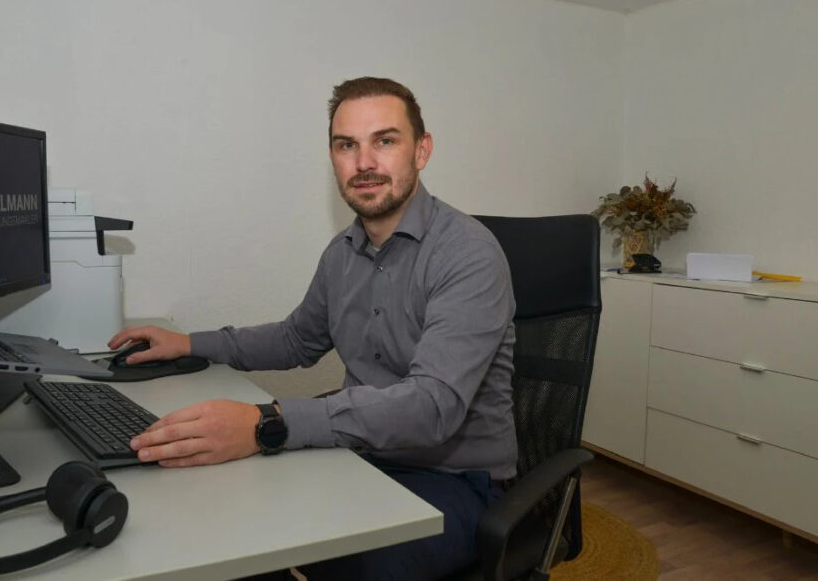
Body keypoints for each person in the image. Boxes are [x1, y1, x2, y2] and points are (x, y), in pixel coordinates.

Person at [108, 77, 517, 580]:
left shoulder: (468, 253)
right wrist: (189, 343)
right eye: (347, 145)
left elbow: (431, 406)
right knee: (232, 524)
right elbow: (295, 339)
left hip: (454, 478)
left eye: (385, 140)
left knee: (359, 565)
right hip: (362, 456)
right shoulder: (342, 254)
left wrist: (266, 423)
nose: (364, 162)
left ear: (422, 150)